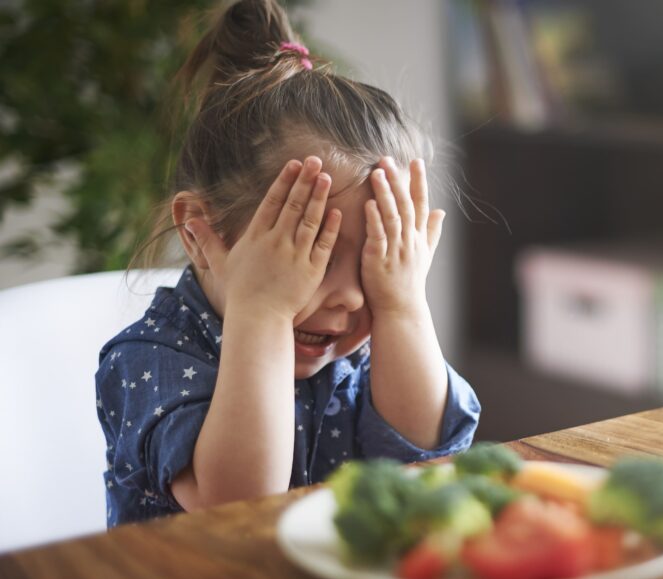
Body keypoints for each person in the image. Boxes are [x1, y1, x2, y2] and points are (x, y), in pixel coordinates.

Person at [95, 0, 480, 527]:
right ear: (200, 234)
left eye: (375, 261)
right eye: (311, 256)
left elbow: (428, 454)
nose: (351, 296)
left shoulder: (368, 341)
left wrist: (402, 305)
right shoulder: (151, 358)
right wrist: (263, 313)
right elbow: (239, 505)